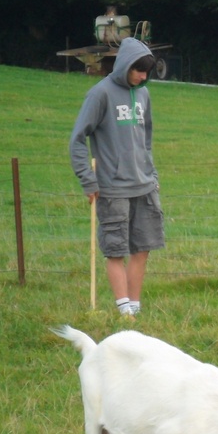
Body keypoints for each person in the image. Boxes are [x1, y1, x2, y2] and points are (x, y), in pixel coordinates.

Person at [69, 37, 164, 317]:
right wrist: (88, 180)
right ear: (125, 65)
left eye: (147, 72)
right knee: (115, 250)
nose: (143, 77)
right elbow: (77, 139)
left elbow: (146, 139)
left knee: (143, 248)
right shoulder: (100, 94)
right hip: (112, 189)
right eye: (138, 70)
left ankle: (135, 307)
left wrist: (152, 173)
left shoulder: (144, 94)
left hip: (145, 186)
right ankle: (123, 310)